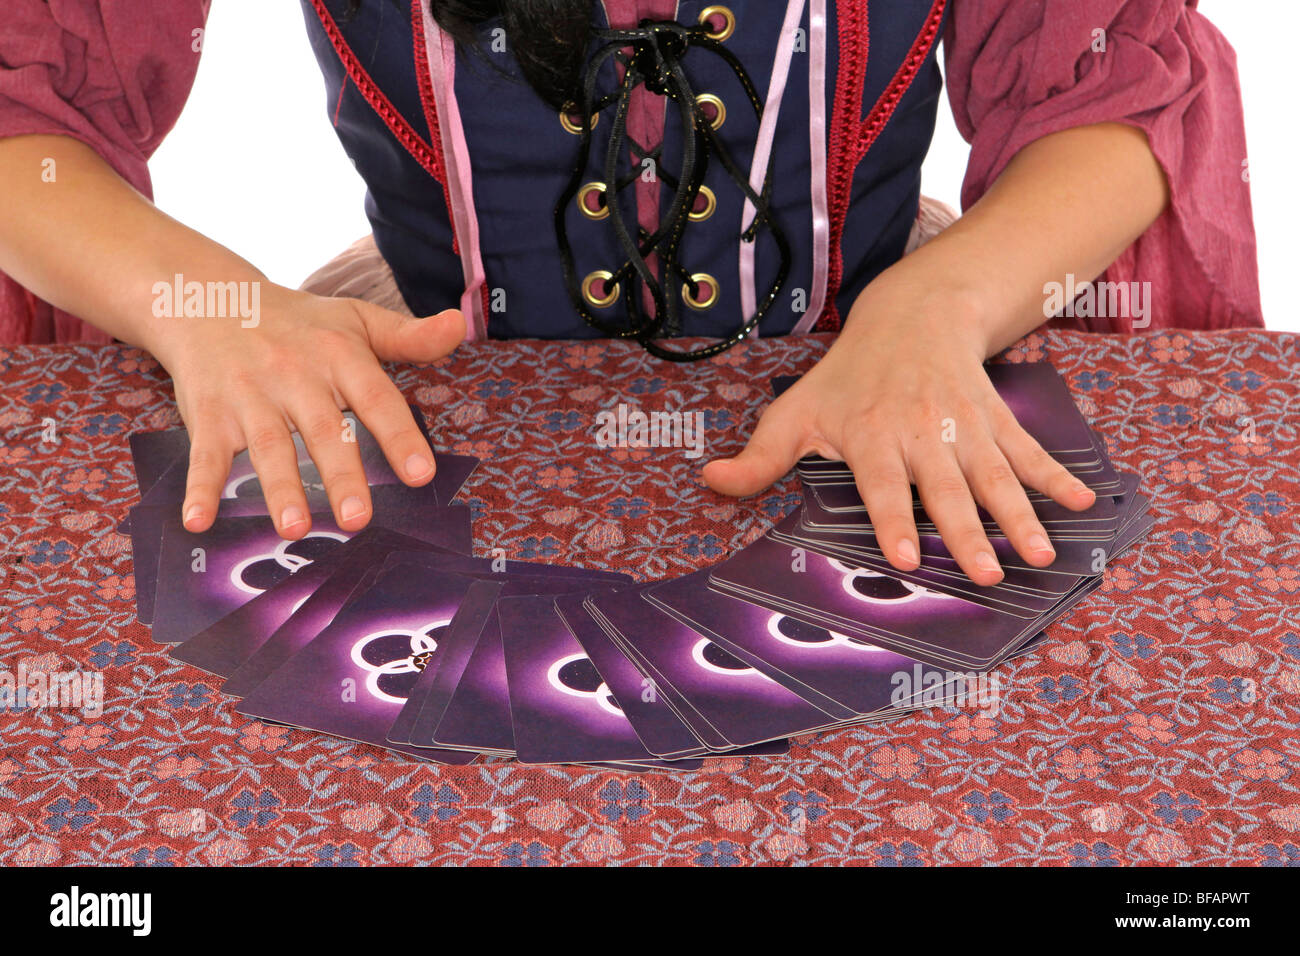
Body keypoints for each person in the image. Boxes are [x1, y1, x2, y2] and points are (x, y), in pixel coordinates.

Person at [0, 0, 1261, 585]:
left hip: (891, 348)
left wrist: (938, 308)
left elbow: (1108, 93)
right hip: (439, 374)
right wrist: (206, 304)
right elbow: (20, 106)